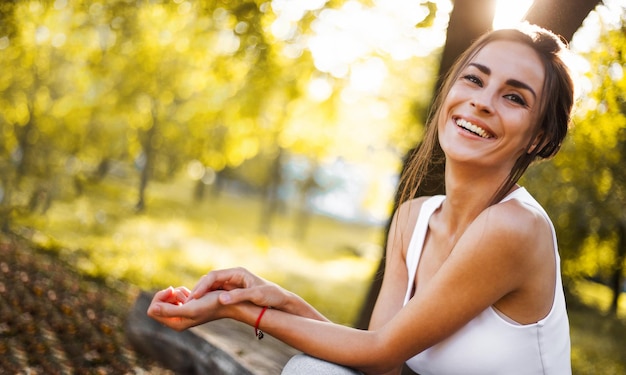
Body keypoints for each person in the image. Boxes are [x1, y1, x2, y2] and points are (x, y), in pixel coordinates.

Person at [147, 22, 575, 375]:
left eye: (514, 97)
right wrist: (274, 297)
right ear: (450, 92)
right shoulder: (412, 219)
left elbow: (380, 351)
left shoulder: (515, 227)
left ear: (538, 137)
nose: (482, 102)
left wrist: (237, 309)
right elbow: (378, 359)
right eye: (474, 79)